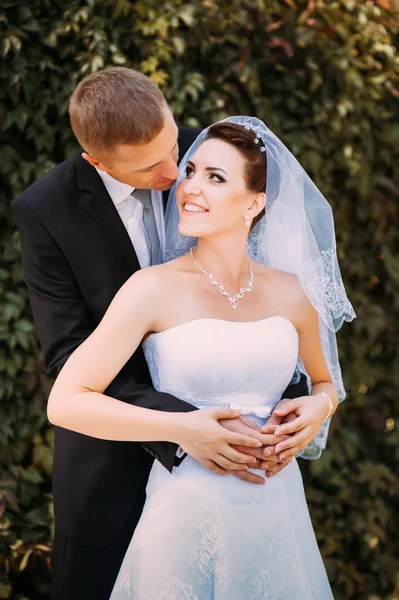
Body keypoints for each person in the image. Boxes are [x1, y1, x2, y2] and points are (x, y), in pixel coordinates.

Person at [11, 69, 310, 600]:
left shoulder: (209, 164)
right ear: (97, 162)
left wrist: (290, 409)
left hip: (249, 480)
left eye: (177, 148)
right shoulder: (46, 212)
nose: (178, 175)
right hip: (110, 466)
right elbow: (67, 357)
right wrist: (187, 425)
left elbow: (261, 304)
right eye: (153, 165)